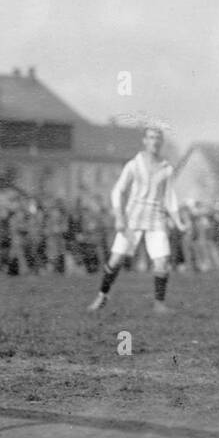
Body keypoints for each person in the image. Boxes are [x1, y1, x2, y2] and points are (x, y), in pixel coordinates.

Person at [87, 127, 190, 313]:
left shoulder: (166, 168)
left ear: (161, 141)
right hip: (132, 218)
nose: (154, 141)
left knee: (162, 262)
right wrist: (119, 216)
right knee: (115, 260)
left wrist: (177, 221)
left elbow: (169, 197)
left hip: (156, 219)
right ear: (145, 140)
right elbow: (118, 190)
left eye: (158, 138)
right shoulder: (134, 164)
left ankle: (159, 303)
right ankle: (102, 296)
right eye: (151, 138)